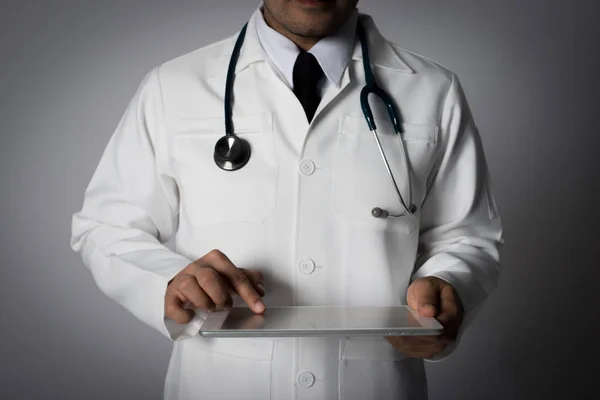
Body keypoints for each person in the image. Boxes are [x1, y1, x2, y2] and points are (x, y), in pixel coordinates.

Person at [70, 0, 503, 399]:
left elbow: (465, 237)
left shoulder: (433, 90)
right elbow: (107, 227)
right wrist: (168, 282)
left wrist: (449, 289)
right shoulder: (173, 86)